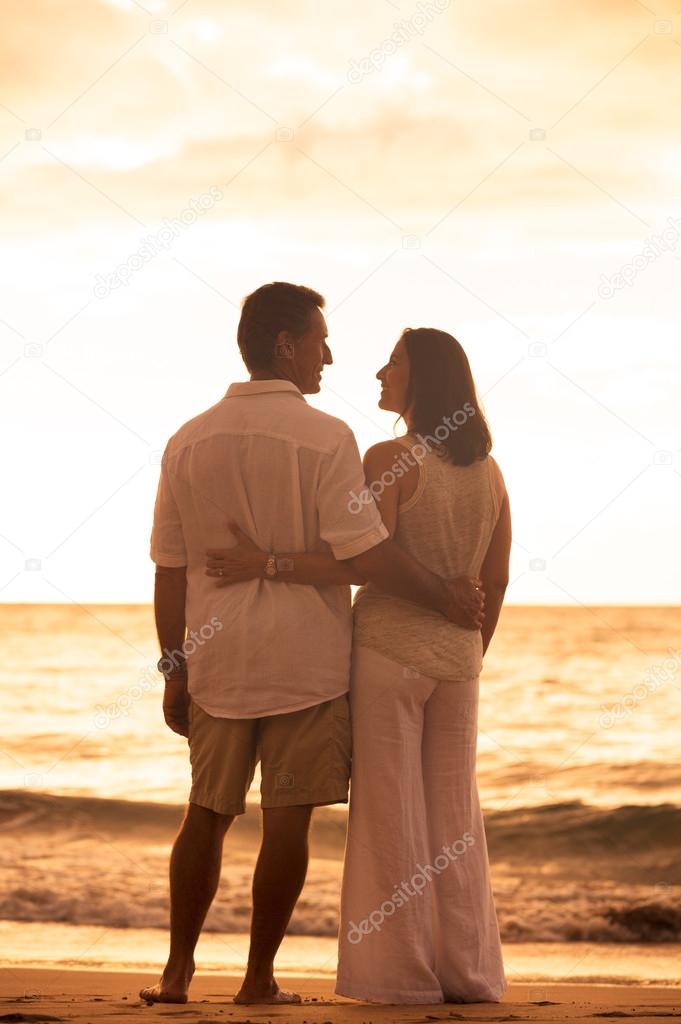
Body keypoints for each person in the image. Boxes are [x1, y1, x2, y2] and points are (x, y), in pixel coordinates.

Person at [142, 284, 484, 1007]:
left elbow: (168, 570)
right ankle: (258, 978)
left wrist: (174, 666)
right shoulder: (328, 438)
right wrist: (448, 597)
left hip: (218, 660)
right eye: (320, 340)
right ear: (285, 345)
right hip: (310, 662)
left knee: (205, 813)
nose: (331, 355)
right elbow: (364, 557)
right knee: (285, 823)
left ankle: (176, 974)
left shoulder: (187, 439)